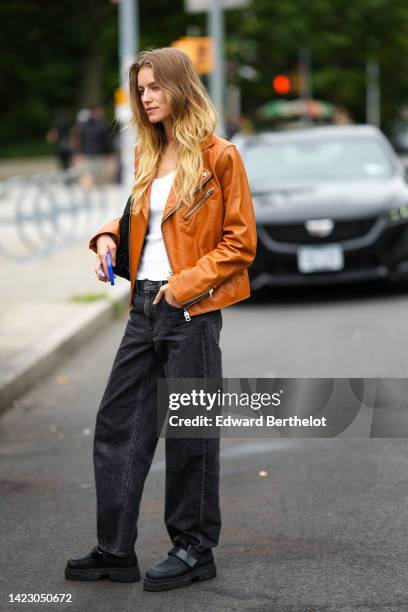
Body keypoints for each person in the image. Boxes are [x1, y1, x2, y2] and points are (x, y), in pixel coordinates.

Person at [65, 47, 257, 592]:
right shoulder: (149, 155)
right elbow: (139, 220)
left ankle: (194, 548)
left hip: (189, 310)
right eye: (140, 88)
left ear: (178, 87)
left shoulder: (220, 157)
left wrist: (181, 287)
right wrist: (107, 233)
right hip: (143, 309)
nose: (145, 97)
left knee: (191, 434)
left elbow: (240, 243)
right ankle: (114, 550)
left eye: (153, 87)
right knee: (118, 422)